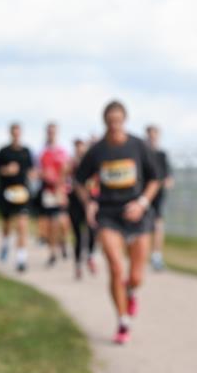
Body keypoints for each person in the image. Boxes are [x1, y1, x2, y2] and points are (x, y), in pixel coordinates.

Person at [75, 101, 160, 344]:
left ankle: (130, 291)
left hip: (137, 214)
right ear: (104, 121)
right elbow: (79, 181)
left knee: (136, 276)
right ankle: (123, 321)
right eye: (110, 121)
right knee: (115, 267)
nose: (114, 125)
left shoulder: (138, 146)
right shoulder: (97, 150)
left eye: (118, 121)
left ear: (125, 120)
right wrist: (89, 203)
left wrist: (142, 203)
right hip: (108, 215)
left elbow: (155, 179)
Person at [0, 123, 36, 272]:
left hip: (22, 192)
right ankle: (5, 243)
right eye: (14, 132)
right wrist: (6, 170)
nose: (16, 135)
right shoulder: (3, 151)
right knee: (7, 224)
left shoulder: (26, 152)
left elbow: (31, 170)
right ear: (10, 133)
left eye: (18, 132)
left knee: (22, 225)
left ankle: (21, 259)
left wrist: (34, 176)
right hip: (7, 192)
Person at [36, 122, 70, 266]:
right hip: (48, 191)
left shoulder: (63, 151)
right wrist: (43, 175)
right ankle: (52, 253)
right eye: (49, 131)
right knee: (51, 223)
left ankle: (63, 241)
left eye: (53, 131)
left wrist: (60, 186)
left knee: (62, 222)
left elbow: (67, 170)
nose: (51, 134)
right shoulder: (42, 152)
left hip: (60, 190)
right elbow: (37, 171)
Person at [67, 138, 98, 280]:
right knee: (78, 236)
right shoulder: (71, 164)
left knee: (92, 231)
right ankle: (78, 264)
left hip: (90, 202)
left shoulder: (93, 164)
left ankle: (90, 256)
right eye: (77, 148)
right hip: (75, 203)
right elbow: (63, 179)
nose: (80, 151)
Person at [145, 125, 173, 271]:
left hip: (158, 195)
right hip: (144, 195)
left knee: (158, 225)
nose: (153, 138)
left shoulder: (162, 155)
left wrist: (167, 181)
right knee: (144, 226)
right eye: (150, 135)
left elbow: (168, 175)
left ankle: (156, 256)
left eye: (155, 135)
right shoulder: (143, 153)